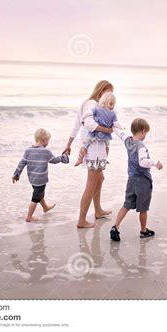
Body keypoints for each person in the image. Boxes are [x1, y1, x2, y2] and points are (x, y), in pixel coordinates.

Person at [63, 80, 114, 228]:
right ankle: (81, 220)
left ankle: (98, 210)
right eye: (109, 91)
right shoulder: (92, 104)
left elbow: (76, 125)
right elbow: (88, 125)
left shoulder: (93, 104)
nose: (111, 95)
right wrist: (108, 130)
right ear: (101, 90)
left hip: (95, 147)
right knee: (91, 184)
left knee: (100, 178)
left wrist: (68, 145)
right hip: (92, 148)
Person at [110, 118, 163, 241]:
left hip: (131, 180)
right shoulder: (141, 146)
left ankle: (115, 227)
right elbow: (143, 162)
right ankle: (143, 231)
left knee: (126, 205)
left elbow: (120, 133)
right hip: (143, 182)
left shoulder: (128, 141)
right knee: (143, 209)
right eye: (146, 133)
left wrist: (112, 123)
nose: (146, 135)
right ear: (143, 131)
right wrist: (155, 162)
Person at [13, 128, 69, 222]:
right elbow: (54, 160)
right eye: (48, 140)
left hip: (32, 178)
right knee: (35, 198)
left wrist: (16, 174)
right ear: (44, 139)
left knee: (39, 194)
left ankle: (45, 208)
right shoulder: (45, 151)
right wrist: (63, 157)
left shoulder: (28, 150)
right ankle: (29, 216)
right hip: (41, 179)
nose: (48, 143)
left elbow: (21, 163)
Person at [75, 91, 124, 166]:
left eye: (113, 104)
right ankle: (80, 159)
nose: (112, 106)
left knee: (107, 146)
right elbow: (89, 113)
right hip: (95, 133)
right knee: (85, 145)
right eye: (111, 104)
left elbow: (115, 123)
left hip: (105, 135)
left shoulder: (113, 113)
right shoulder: (97, 109)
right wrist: (83, 118)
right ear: (105, 101)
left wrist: (121, 127)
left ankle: (105, 158)